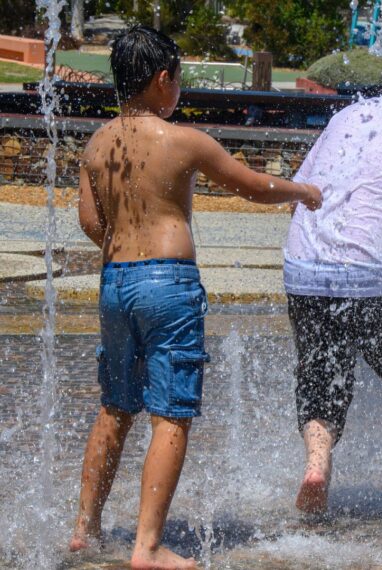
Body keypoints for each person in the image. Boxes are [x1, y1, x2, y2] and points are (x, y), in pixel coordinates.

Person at [69, 25, 320, 570]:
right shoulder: (182, 140)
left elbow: (92, 223)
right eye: (177, 79)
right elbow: (252, 186)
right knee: (171, 414)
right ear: (163, 80)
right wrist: (303, 191)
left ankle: (84, 529)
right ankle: (149, 547)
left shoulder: (96, 144)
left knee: (115, 407)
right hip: (169, 285)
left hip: (115, 283)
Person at [283, 58, 382, 522]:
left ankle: (317, 461)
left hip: (306, 266)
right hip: (376, 274)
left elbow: (299, 191)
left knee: (322, 376)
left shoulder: (349, 115)